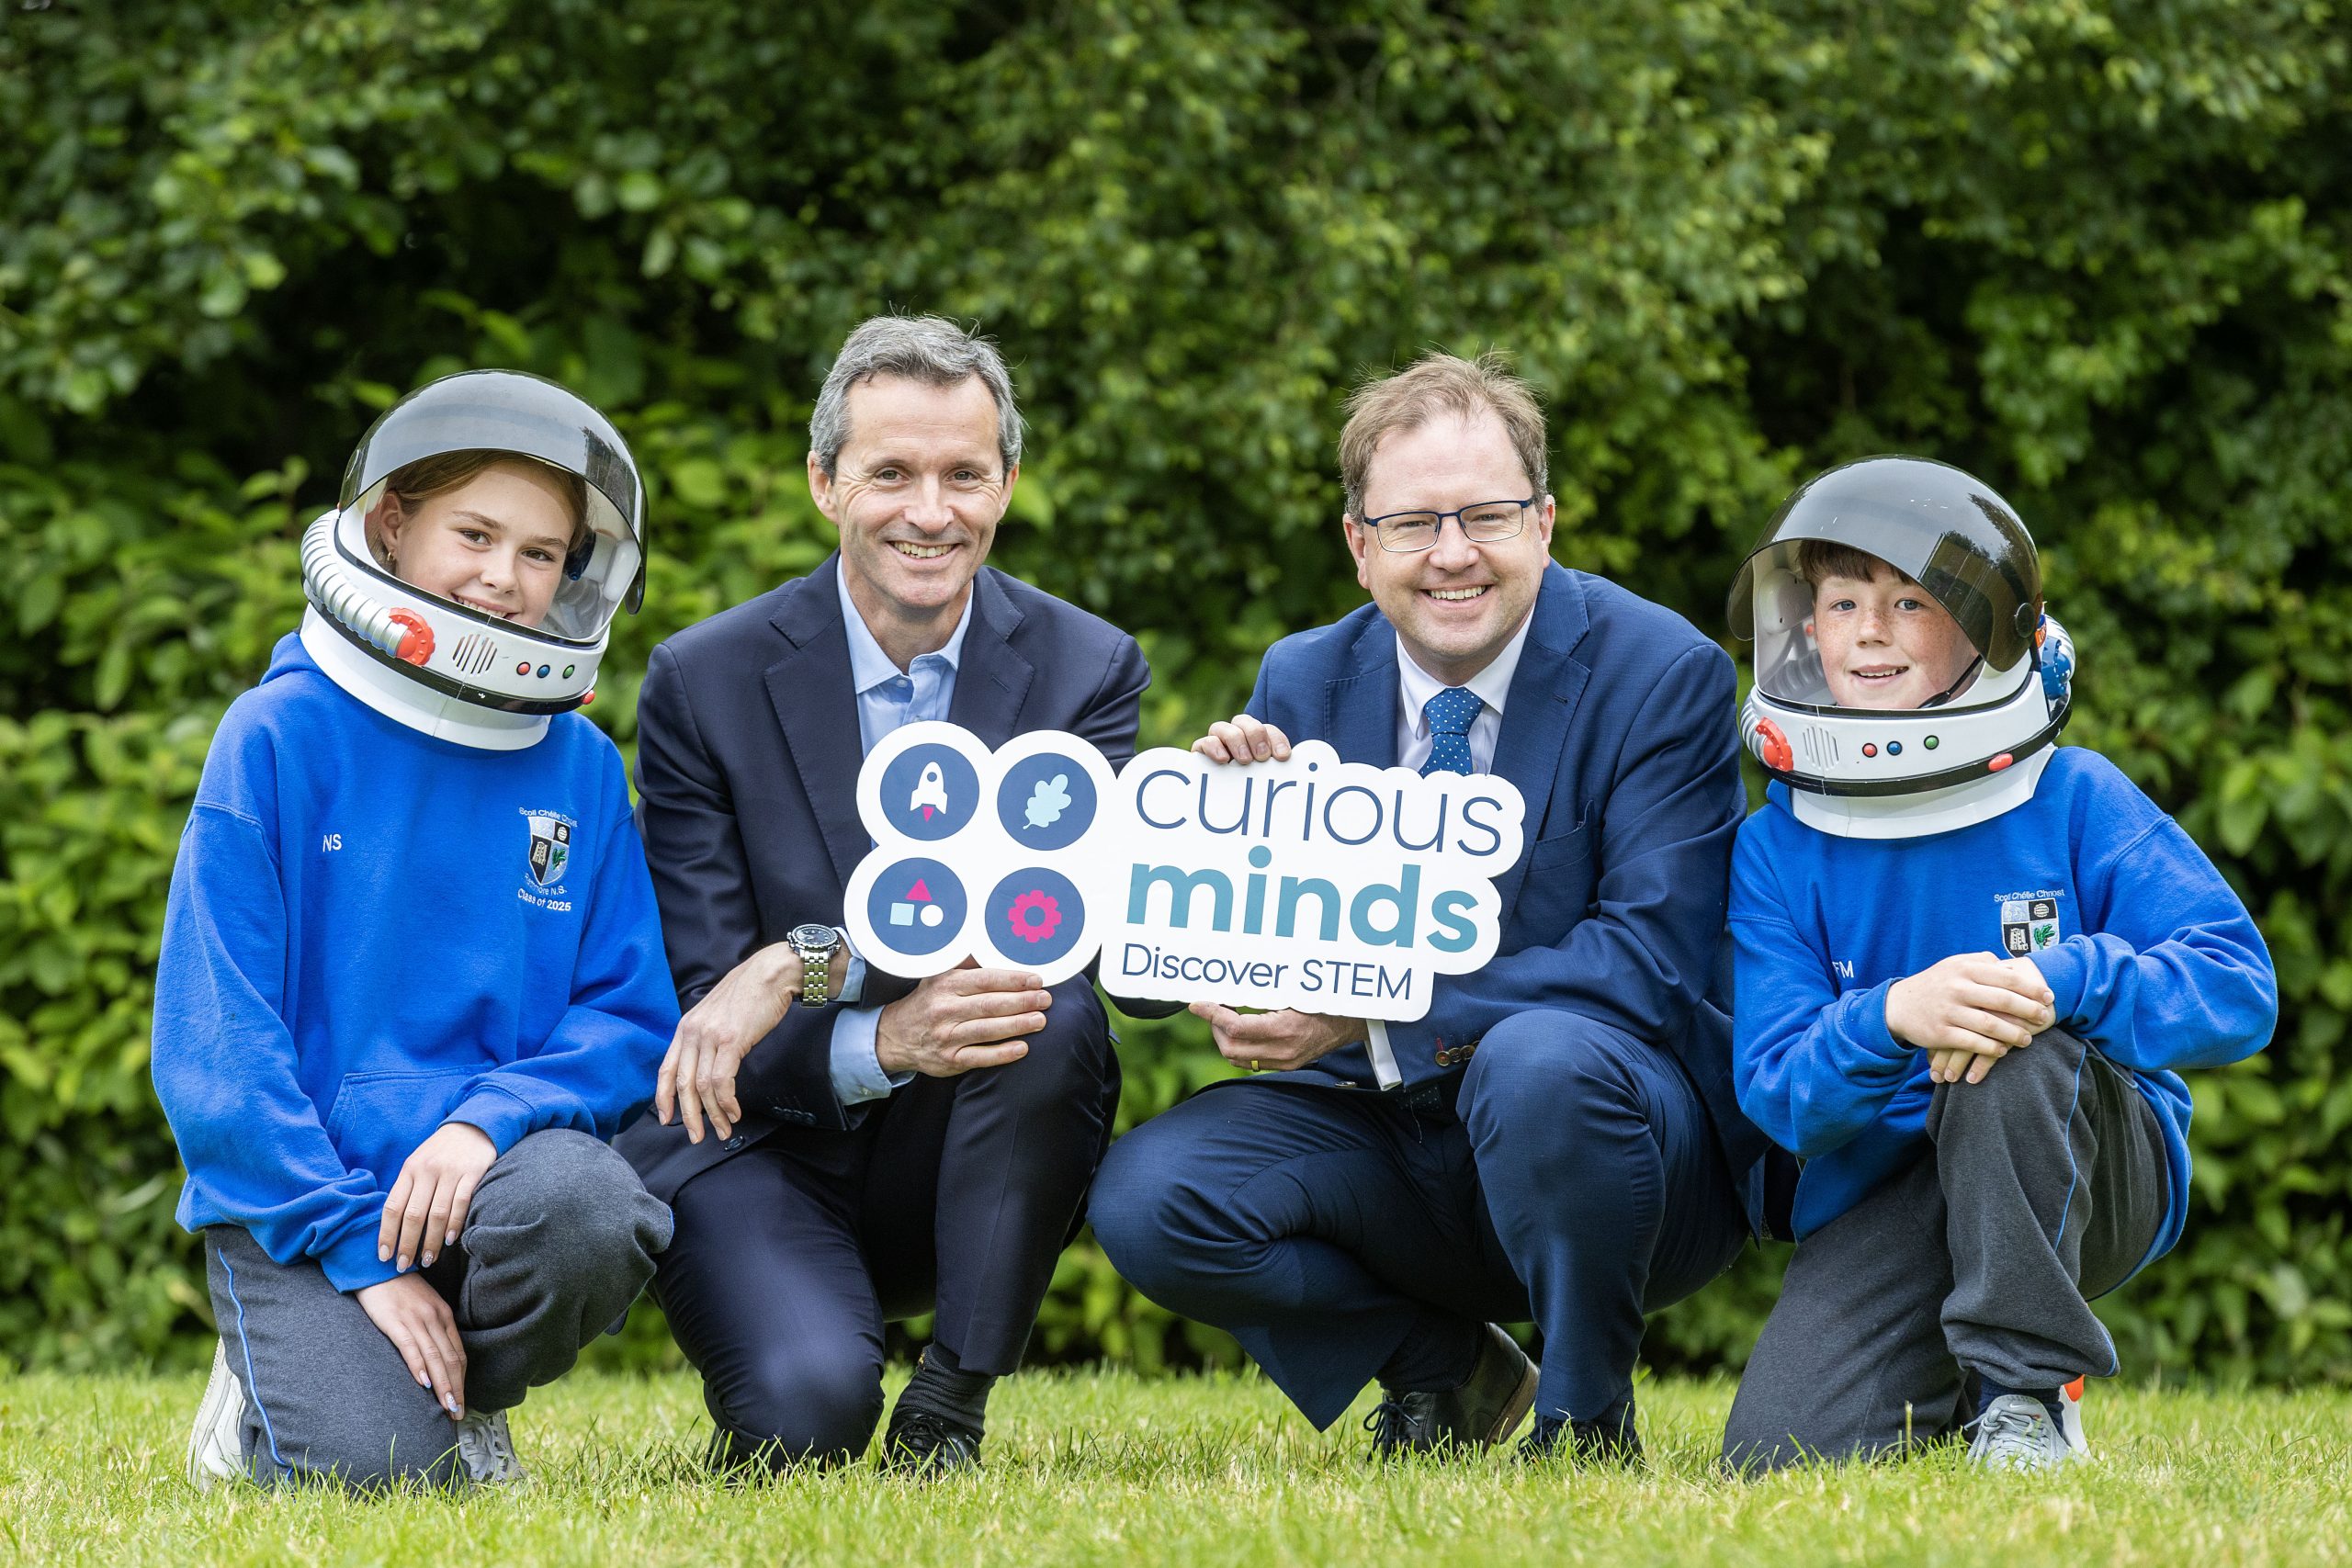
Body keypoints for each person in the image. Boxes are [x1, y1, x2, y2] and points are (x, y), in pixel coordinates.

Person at [1087, 351, 1775, 1465]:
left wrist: (1372, 1018)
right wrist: (1204, 853)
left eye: (1486, 516)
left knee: (1538, 1059)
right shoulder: (1303, 678)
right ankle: (1442, 1368)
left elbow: (1648, 962)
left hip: (1617, 1140)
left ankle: (1585, 1420)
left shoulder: (1661, 671)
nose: (1452, 553)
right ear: (1359, 546)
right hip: (1383, 1138)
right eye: (1412, 524)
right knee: (1153, 1198)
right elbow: (1160, 979)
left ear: (1543, 522)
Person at [614, 314, 1154, 1476]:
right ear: (825, 483)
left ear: (1006, 485)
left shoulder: (1086, 670)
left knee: (1050, 1008)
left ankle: (951, 1401)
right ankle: (809, 1350)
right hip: (751, 1136)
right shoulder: (702, 680)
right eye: (891, 473)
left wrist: (1209, 831)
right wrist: (884, 1034)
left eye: (964, 474)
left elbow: (1055, 933)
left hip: (957, 1151)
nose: (930, 511)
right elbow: (706, 1000)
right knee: (801, 1424)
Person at [157, 370, 679, 1491]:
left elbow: (629, 1017)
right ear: (392, 524)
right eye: (474, 534)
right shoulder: (278, 735)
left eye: (541, 554)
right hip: (304, 1204)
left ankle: (469, 1396)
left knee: (592, 1209)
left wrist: (485, 1125)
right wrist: (353, 1244)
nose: (503, 577)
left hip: (482, 1185)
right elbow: (218, 1047)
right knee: (379, 1477)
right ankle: (260, 1387)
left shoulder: (582, 769)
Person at [1715, 456, 2278, 1471]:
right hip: (1894, 1186)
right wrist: (1893, 1015)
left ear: (1987, 630)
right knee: (1777, 1453)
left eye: (1909, 601)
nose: (1868, 630)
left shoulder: (2073, 795)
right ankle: (1959, 1382)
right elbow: (1778, 1089)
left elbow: (2236, 984)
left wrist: (2063, 982)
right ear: (1803, 627)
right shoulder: (1777, 845)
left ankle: (2027, 1392)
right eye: (1841, 602)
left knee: (2004, 1039)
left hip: (2084, 1160)